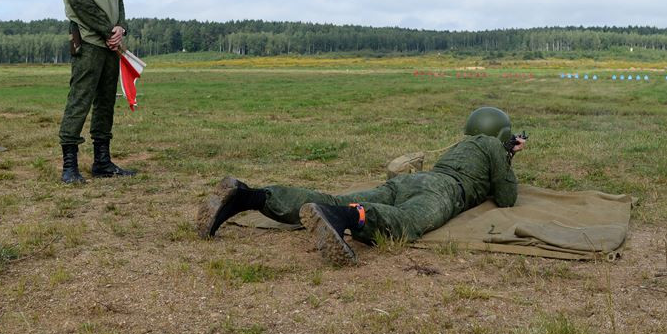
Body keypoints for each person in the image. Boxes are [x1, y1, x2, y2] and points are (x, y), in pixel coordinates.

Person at [196, 107, 526, 265]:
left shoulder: (462, 144)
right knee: (407, 222)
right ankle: (344, 219)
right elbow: (507, 197)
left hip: (407, 182)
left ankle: (248, 196)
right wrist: (507, 154)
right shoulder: (493, 146)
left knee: (334, 197)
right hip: (442, 190)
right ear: (501, 133)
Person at [57, 0, 136, 183]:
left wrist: (121, 29)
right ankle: (70, 166)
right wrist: (106, 29)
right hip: (89, 42)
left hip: (110, 45)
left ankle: (102, 162)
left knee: (105, 103)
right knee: (80, 100)